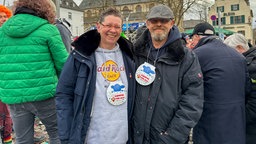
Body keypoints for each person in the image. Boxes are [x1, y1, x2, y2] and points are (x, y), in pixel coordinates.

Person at [55, 8, 135, 144]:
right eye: (108, 25)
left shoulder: (129, 55)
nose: (113, 30)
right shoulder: (80, 56)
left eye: (117, 27)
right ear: (98, 26)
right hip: (92, 135)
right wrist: (66, 134)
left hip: (123, 134)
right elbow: (64, 94)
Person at [132, 4, 204, 144]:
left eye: (164, 21)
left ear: (172, 23)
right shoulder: (136, 53)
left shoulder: (186, 57)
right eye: (154, 21)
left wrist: (172, 136)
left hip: (168, 138)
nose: (159, 24)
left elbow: (192, 101)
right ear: (147, 24)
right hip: (136, 136)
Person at [0, 0, 68, 143]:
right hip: (45, 94)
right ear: (46, 9)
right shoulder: (48, 29)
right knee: (57, 133)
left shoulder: (2, 31)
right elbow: (64, 65)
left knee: (22, 139)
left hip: (14, 96)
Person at [191, 22, 247, 144]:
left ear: (196, 37)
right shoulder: (239, 57)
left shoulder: (197, 55)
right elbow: (246, 89)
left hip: (210, 125)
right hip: (237, 123)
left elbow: (190, 90)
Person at [224, 33, 256, 144]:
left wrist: (237, 121)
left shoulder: (250, 67)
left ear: (239, 48)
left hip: (250, 128)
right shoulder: (248, 62)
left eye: (231, 52)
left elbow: (253, 104)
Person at [0, 5, 13, 144]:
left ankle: (7, 138)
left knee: (5, 112)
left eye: (5, 16)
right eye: (0, 17)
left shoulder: (10, 34)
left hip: (5, 77)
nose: (3, 19)